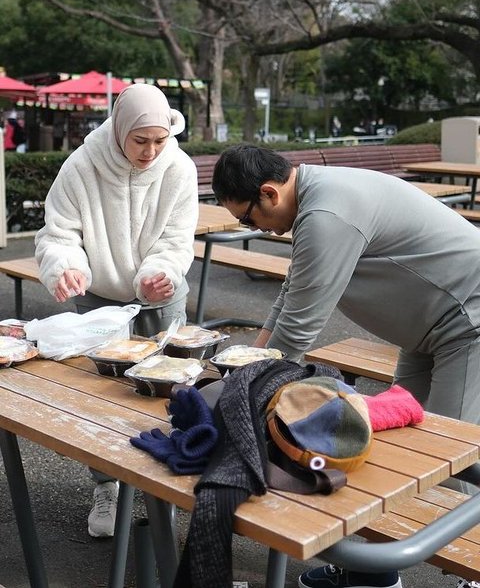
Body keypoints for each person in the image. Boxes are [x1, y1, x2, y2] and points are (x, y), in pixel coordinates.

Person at [212, 144, 480, 588]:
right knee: (393, 449)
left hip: (468, 321)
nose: (254, 229)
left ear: (269, 194)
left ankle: (472, 574)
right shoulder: (315, 199)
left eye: (247, 219)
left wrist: (246, 392)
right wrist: (248, 364)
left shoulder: (326, 214)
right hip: (430, 326)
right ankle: (372, 573)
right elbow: (291, 297)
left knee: (449, 457)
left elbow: (299, 330)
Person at [35, 83, 199, 538]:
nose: (150, 152)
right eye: (139, 140)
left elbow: (177, 239)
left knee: (170, 393)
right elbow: (59, 233)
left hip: (162, 295)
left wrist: (160, 271)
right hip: (100, 298)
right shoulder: (82, 165)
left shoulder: (179, 169)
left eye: (159, 141)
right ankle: (105, 486)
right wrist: (66, 267)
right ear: (119, 130)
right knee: (104, 398)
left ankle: (164, 487)